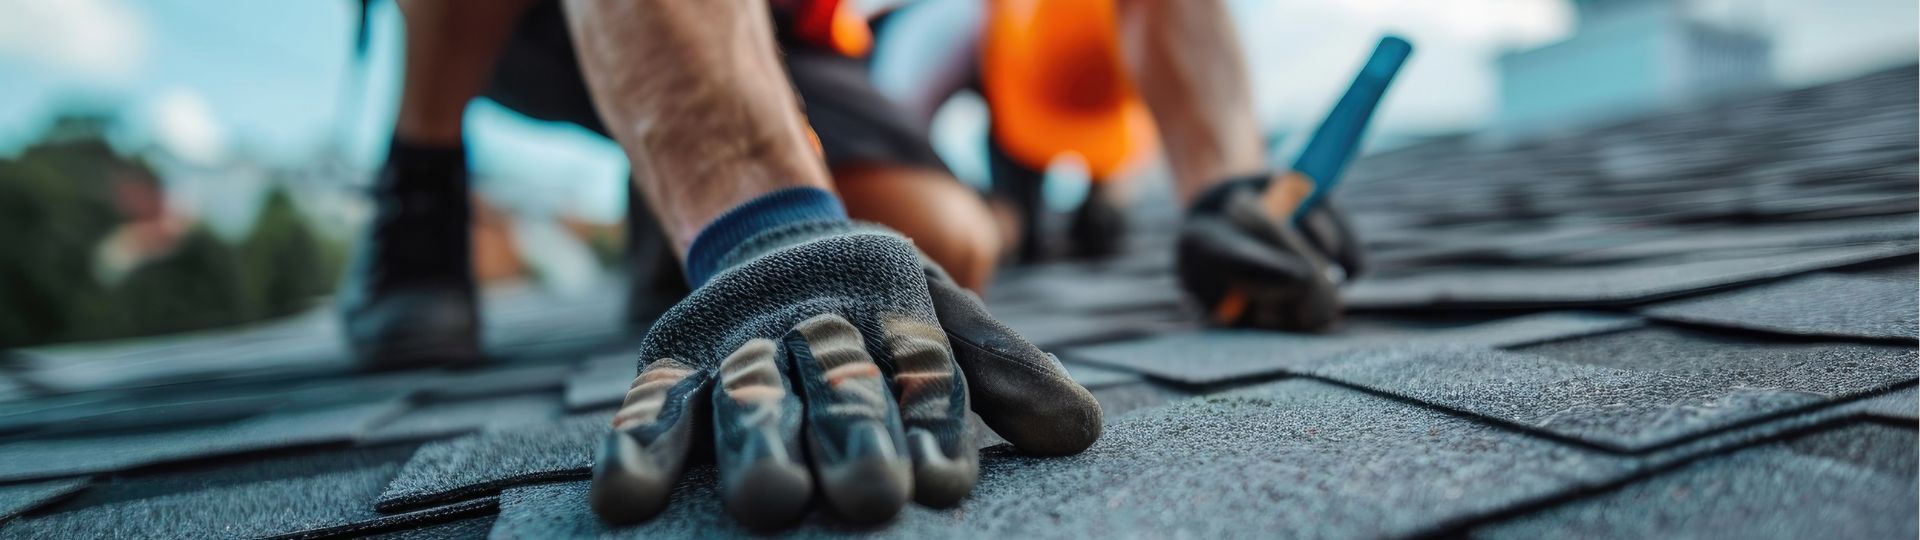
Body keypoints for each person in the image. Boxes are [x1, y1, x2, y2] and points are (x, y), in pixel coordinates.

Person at [340, 0, 1362, 528]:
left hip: (782, 27)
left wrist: (1229, 182)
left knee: (943, 241)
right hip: (511, 26)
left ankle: (669, 194)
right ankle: (422, 175)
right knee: (789, 231)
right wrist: (768, 227)